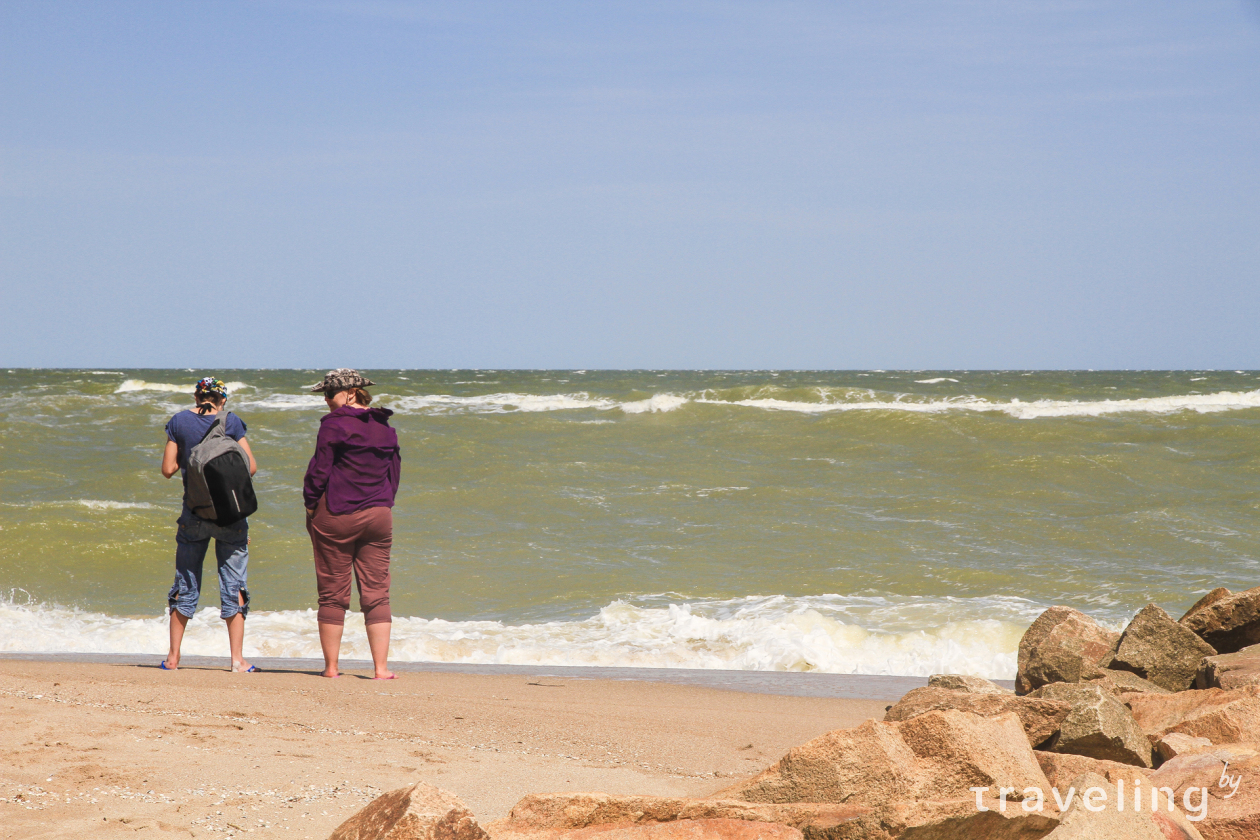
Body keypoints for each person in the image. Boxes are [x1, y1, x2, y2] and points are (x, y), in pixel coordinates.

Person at [303, 369, 401, 679]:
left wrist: (309, 504)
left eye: (329, 394)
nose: (326, 401)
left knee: (332, 591)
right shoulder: (386, 428)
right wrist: (384, 502)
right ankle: (381, 669)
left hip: (337, 513)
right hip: (379, 514)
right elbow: (394, 473)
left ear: (350, 393)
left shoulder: (333, 426)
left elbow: (319, 470)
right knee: (377, 592)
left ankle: (332, 668)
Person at [160, 377, 258, 672]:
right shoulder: (232, 422)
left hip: (194, 512)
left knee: (186, 582)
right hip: (231, 515)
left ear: (196, 395)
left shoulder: (179, 422)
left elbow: (167, 469)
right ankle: (237, 661)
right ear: (223, 399)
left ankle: (173, 658)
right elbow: (251, 466)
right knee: (234, 584)